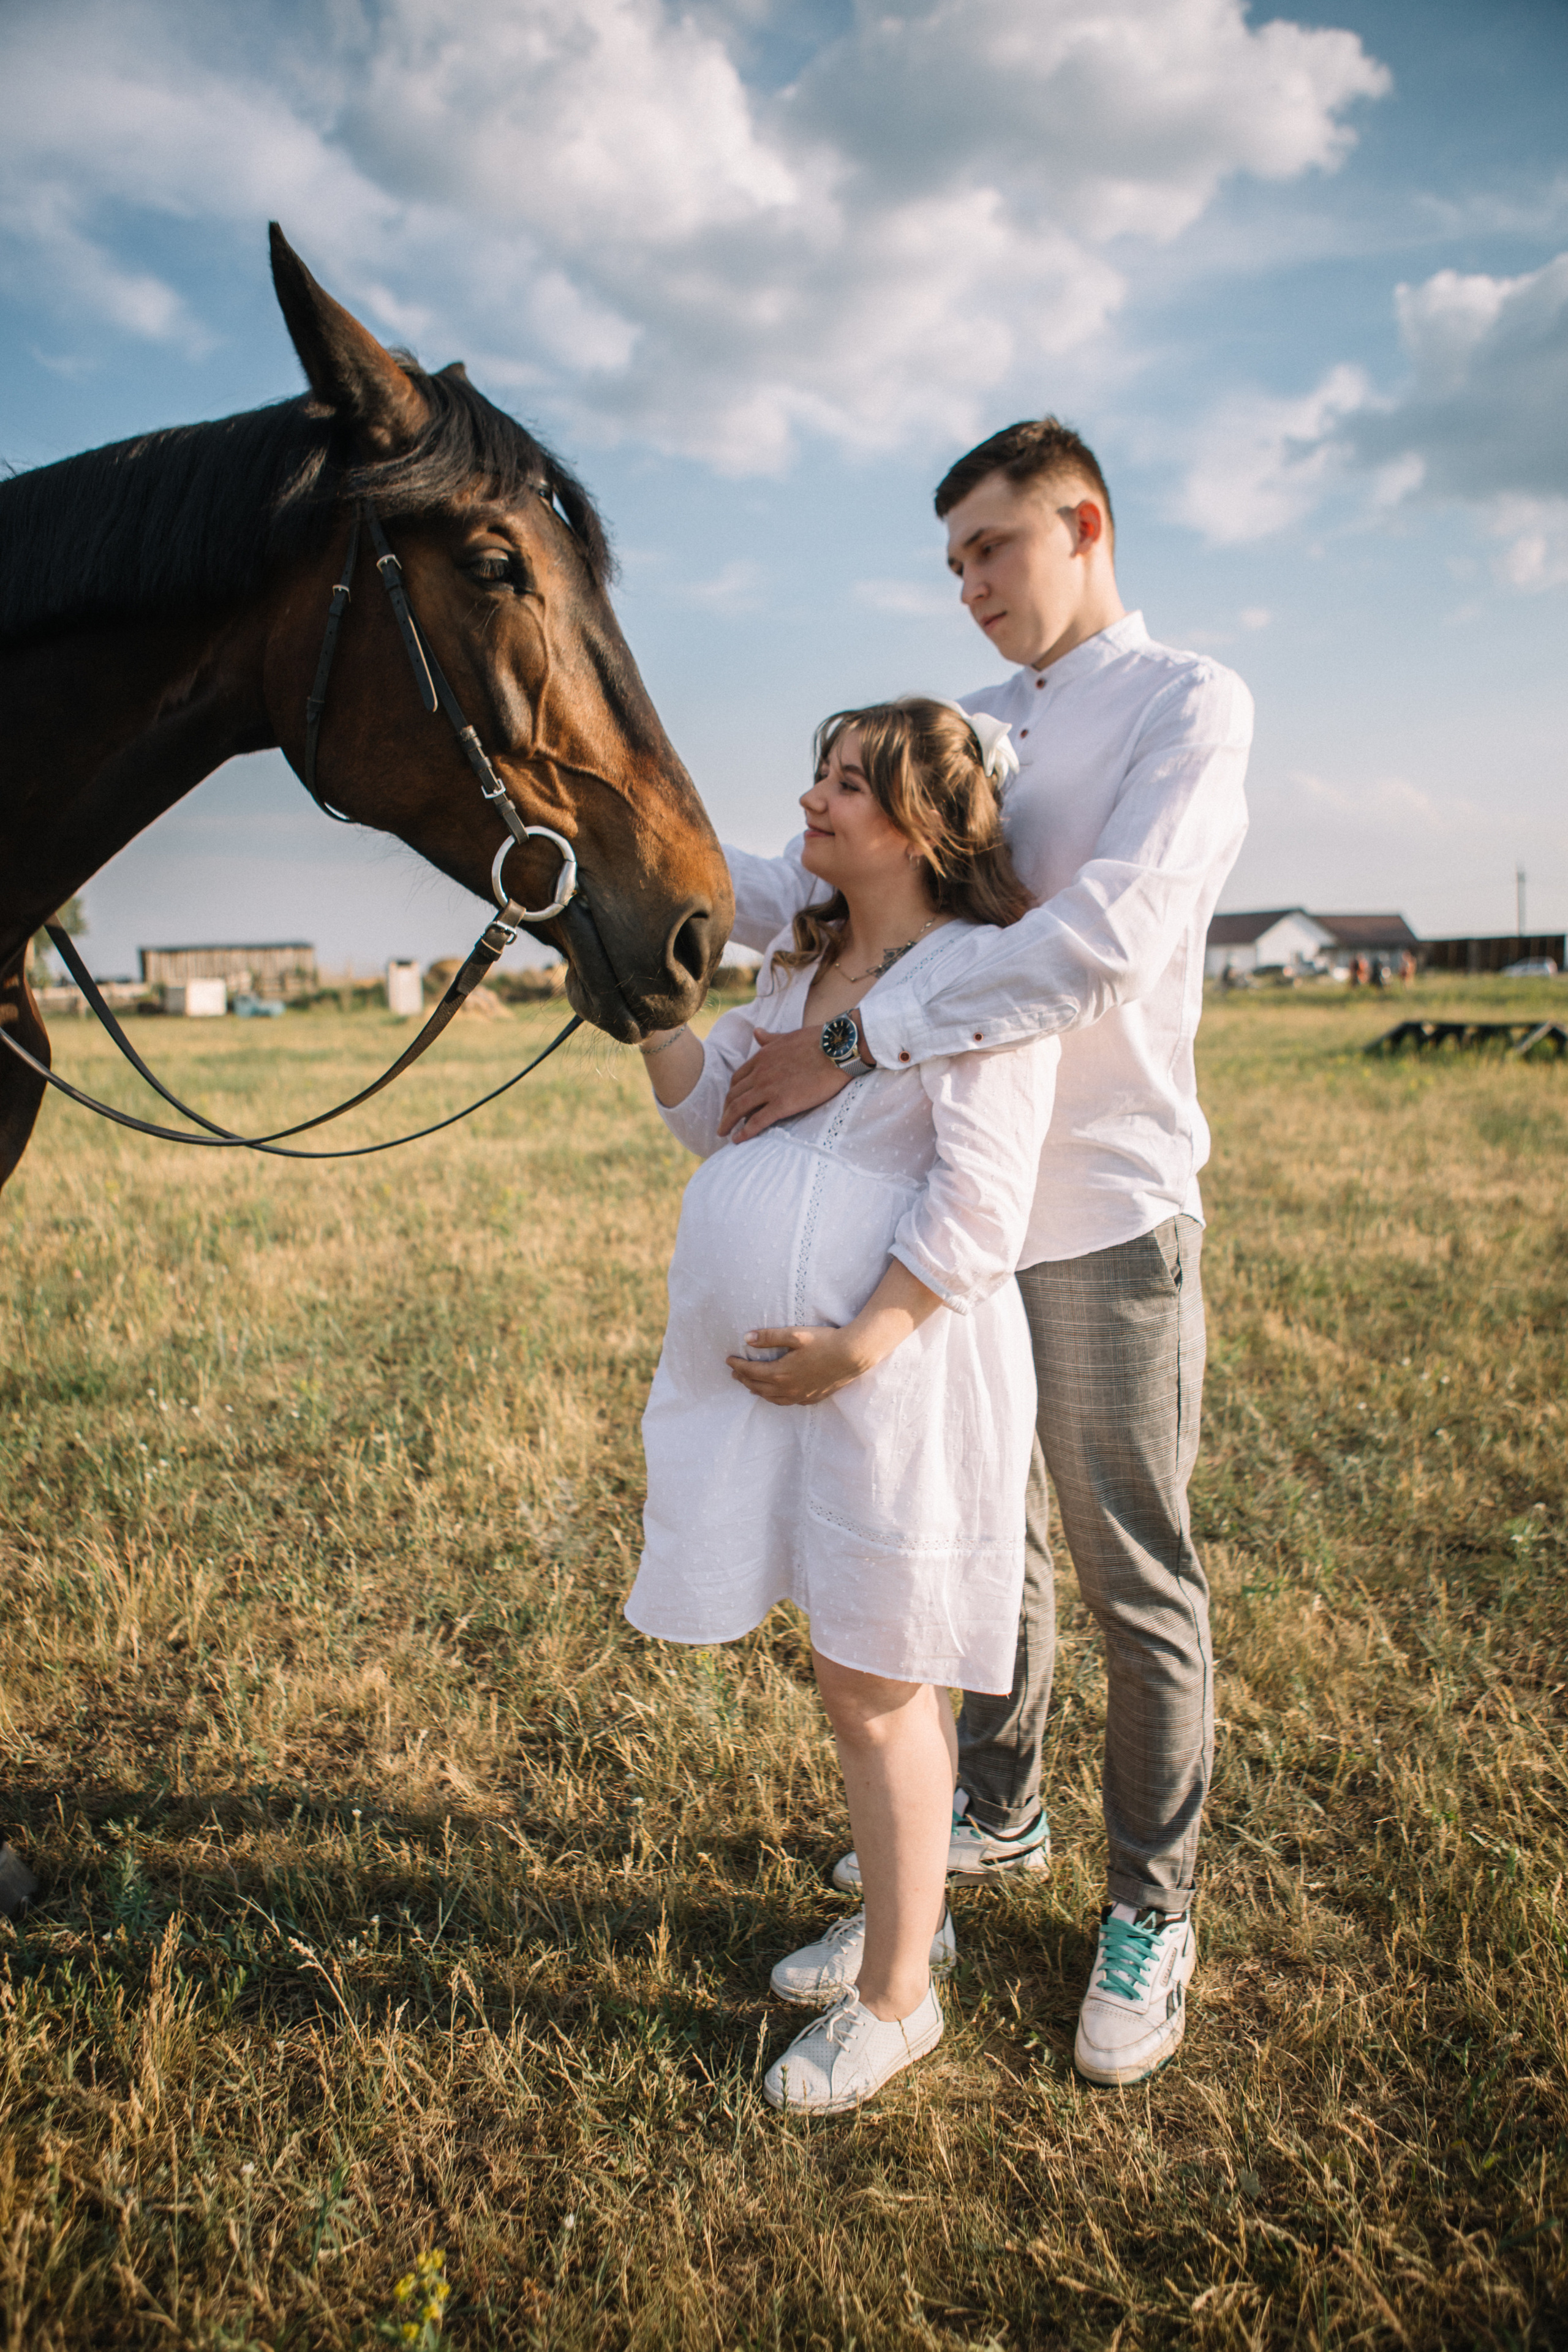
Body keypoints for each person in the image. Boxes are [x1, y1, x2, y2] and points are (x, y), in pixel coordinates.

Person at [717, 417, 1253, 2088]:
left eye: (991, 552)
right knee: (977, 1552)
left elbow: (1102, 946)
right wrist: (624, 866)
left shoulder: (1189, 705)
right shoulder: (978, 730)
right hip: (942, 1210)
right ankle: (992, 1825)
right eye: (951, 563)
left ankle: (1149, 1908)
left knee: (1124, 1567)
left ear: (1082, 521)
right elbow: (862, 890)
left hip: (1098, 1205)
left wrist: (862, 1046)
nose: (966, 589)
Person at [625, 699, 1058, 2116]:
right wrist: (652, 1024)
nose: (812, 799)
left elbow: (979, 1206)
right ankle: (901, 1919)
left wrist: (857, 1345)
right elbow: (715, 1116)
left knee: (876, 1681)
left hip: (894, 1376)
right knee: (869, 1672)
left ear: (924, 825)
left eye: (847, 782)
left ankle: (896, 1998)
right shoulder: (803, 954)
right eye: (815, 770)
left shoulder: (985, 976)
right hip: (786, 1389)